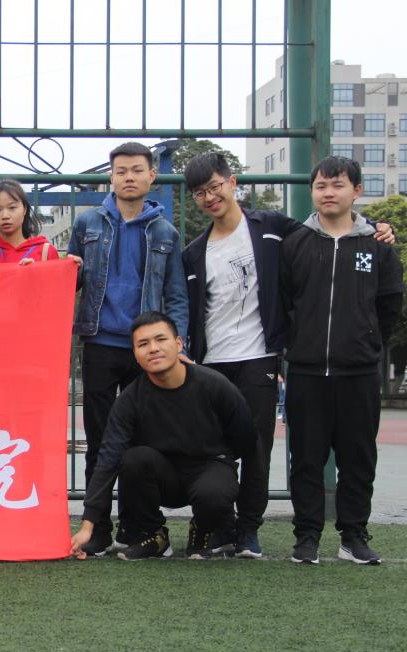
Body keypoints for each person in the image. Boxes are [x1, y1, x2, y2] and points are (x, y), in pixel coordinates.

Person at [182, 151, 395, 559]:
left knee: (265, 449)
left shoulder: (275, 229)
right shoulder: (198, 250)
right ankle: (233, 528)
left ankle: (260, 530)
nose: (209, 197)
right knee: (221, 450)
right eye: (199, 192)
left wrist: (378, 228)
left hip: (271, 359)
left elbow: (380, 295)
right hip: (231, 363)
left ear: (232, 183)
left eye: (215, 186)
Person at [66, 142, 189, 556]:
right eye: (121, 171)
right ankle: (97, 527)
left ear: (152, 176)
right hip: (99, 343)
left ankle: (138, 527)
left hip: (146, 352)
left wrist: (177, 344)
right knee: (99, 441)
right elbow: (68, 282)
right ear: (111, 177)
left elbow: (176, 294)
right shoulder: (87, 223)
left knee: (143, 443)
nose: (129, 177)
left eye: (137, 170)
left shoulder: (165, 231)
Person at [281, 156, 403, 565]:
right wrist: (298, 344)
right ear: (312, 191)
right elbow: (284, 302)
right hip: (307, 371)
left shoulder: (379, 246)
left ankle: (353, 536)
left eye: (337, 185)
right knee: (306, 459)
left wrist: (366, 343)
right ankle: (307, 536)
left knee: (358, 459)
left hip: (359, 373)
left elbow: (389, 304)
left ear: (356, 191)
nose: (328, 192)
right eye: (321, 185)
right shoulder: (296, 242)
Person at [70, 311, 256, 561]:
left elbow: (247, 440)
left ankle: (202, 529)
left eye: (161, 339)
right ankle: (155, 535)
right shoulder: (130, 400)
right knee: (132, 460)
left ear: (178, 344)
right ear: (135, 354)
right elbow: (108, 459)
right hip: (162, 476)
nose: (153, 349)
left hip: (208, 469)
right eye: (143, 344)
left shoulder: (214, 385)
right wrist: (87, 526)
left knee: (215, 491)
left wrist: (224, 468)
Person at [0, 179, 61, 265]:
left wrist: (37, 271)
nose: (5, 216)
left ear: (25, 209)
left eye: (12, 207)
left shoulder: (46, 251)